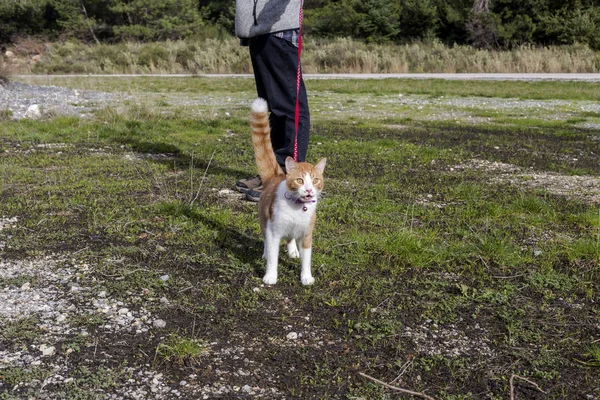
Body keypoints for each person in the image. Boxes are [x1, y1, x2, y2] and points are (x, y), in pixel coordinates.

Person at [233, 0, 310, 202]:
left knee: (290, 107)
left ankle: (286, 176)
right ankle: (271, 173)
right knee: (275, 108)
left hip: (279, 28)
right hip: (258, 31)